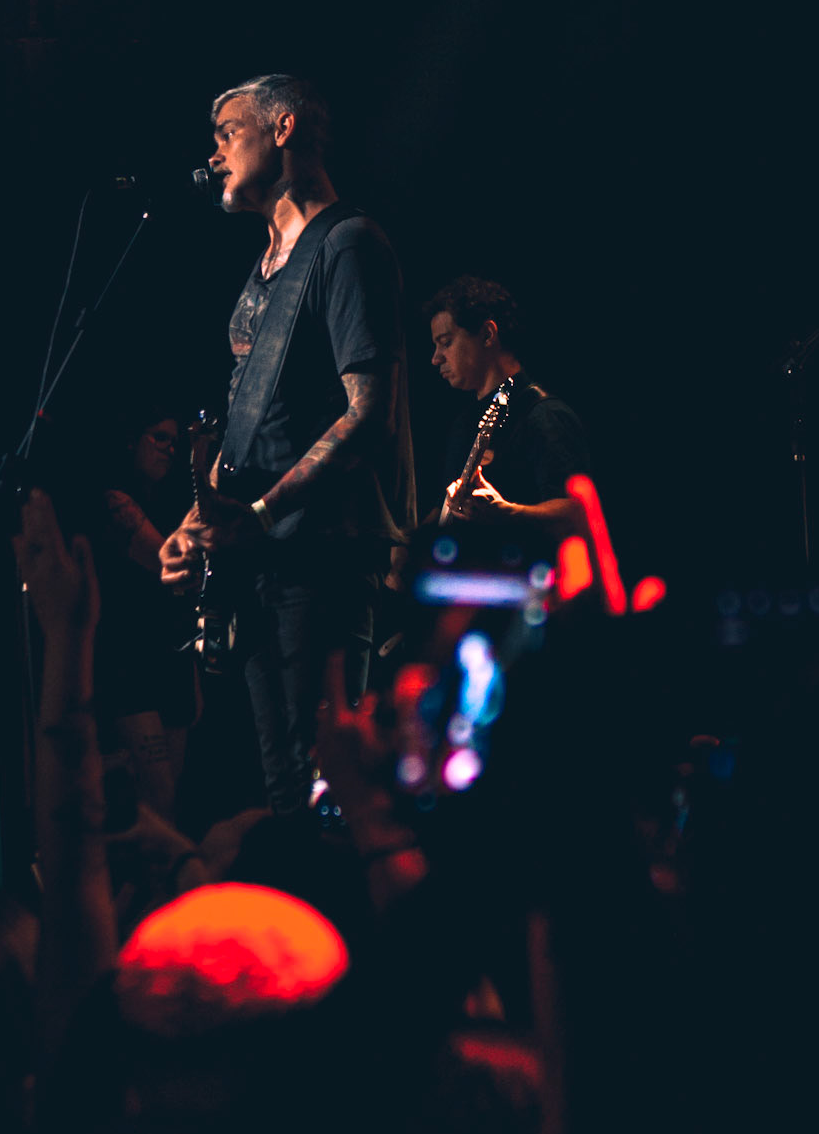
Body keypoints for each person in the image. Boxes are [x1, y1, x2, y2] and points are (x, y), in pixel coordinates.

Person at [159, 74, 417, 818]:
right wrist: (196, 522)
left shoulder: (348, 244)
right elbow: (252, 418)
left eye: (227, 133)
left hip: (321, 554)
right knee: (280, 788)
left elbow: (369, 415)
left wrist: (262, 515)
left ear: (284, 128)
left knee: (321, 780)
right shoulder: (265, 264)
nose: (213, 155)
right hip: (261, 556)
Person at [90, 407, 198, 820]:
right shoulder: (116, 501)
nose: (169, 449)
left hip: (171, 659)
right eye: (159, 437)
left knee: (171, 796)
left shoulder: (171, 503)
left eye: (174, 441)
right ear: (132, 441)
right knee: (158, 793)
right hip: (131, 659)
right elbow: (167, 564)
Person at [426, 276, 588, 537]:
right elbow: (444, 509)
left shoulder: (544, 415)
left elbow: (575, 513)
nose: (435, 358)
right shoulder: (463, 424)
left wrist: (507, 513)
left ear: (487, 335)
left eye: (446, 342)